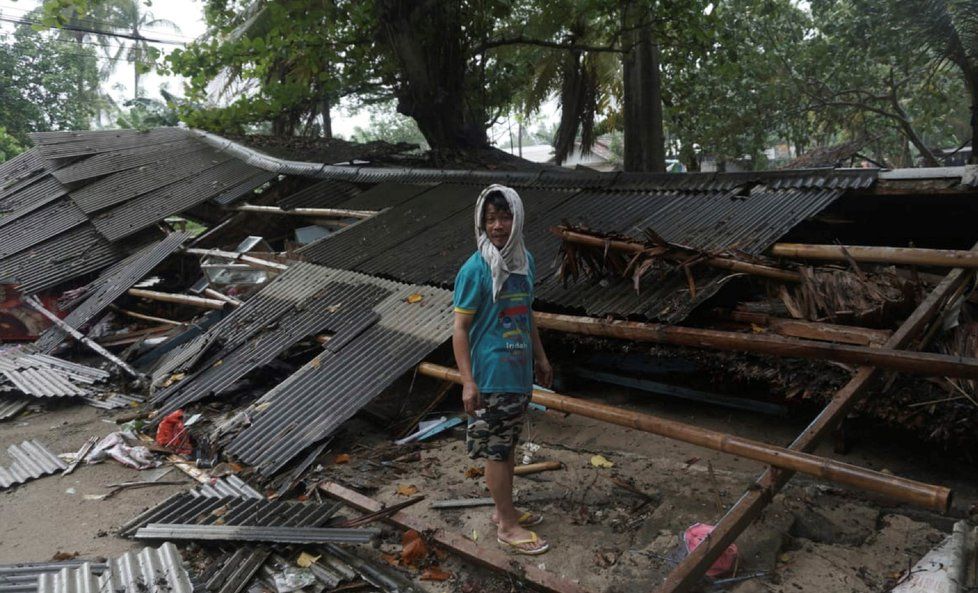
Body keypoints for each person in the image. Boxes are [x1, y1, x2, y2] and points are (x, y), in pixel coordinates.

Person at [452, 184, 553, 555]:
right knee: (496, 450)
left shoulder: (524, 262)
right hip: (491, 375)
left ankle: (502, 512)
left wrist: (540, 358)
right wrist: (467, 382)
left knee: (507, 444)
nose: (497, 226)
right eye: (490, 219)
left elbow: (526, 315)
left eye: (504, 216)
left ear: (518, 218)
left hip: (518, 372)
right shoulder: (474, 269)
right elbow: (460, 330)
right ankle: (508, 527)